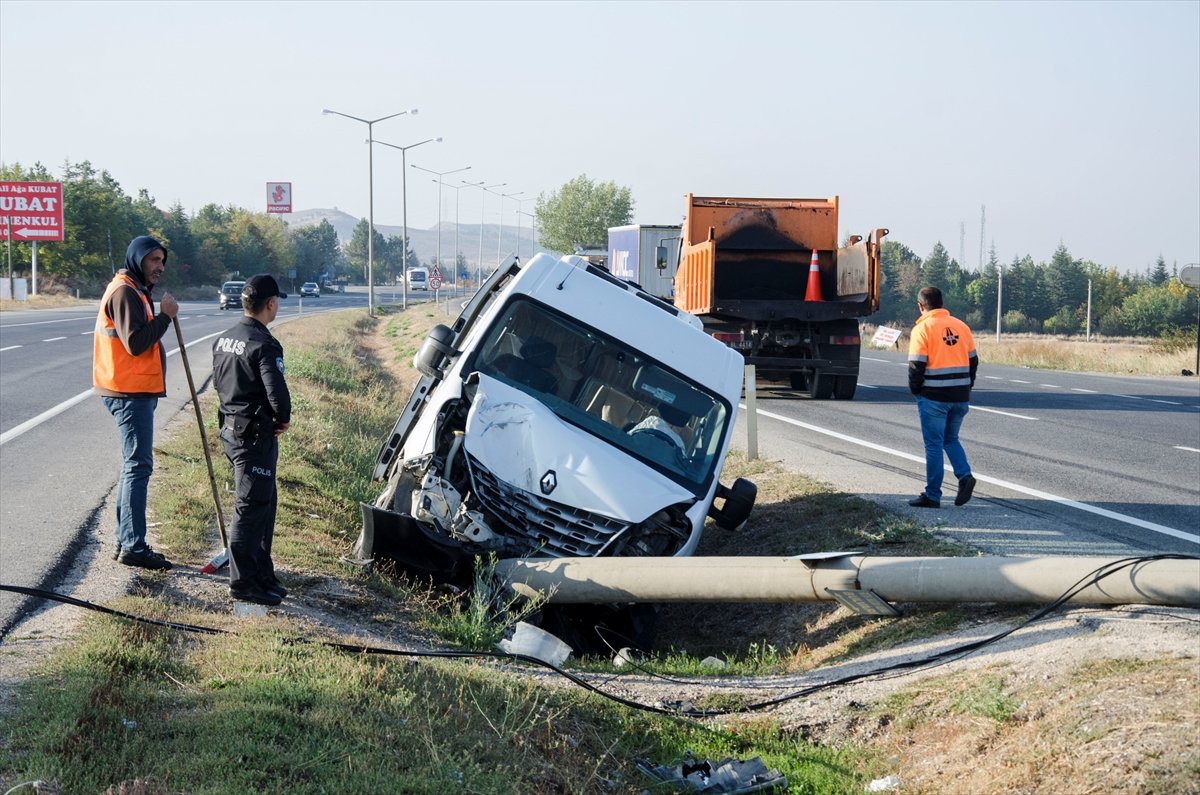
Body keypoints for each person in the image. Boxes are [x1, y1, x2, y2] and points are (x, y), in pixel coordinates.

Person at [93, 235, 179, 570]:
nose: (160, 267)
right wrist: (166, 317)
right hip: (129, 393)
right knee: (138, 467)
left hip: (133, 390)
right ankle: (133, 546)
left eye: (162, 261)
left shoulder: (136, 289)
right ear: (137, 259)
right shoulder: (124, 291)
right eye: (154, 260)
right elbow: (136, 343)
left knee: (134, 466)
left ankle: (126, 541)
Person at [212, 274, 292, 606]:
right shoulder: (264, 344)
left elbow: (218, 383)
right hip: (254, 437)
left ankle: (261, 573)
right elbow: (278, 395)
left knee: (264, 502)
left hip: (231, 431)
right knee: (251, 506)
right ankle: (243, 582)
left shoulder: (224, 339)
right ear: (270, 304)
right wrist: (283, 418)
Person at [907, 286, 978, 508]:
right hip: (960, 395)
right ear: (942, 302)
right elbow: (973, 361)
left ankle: (932, 495)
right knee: (951, 439)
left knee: (934, 445)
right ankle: (964, 476)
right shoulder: (961, 326)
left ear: (921, 306)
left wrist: (916, 390)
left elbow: (916, 365)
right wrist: (967, 386)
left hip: (934, 396)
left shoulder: (922, 328)